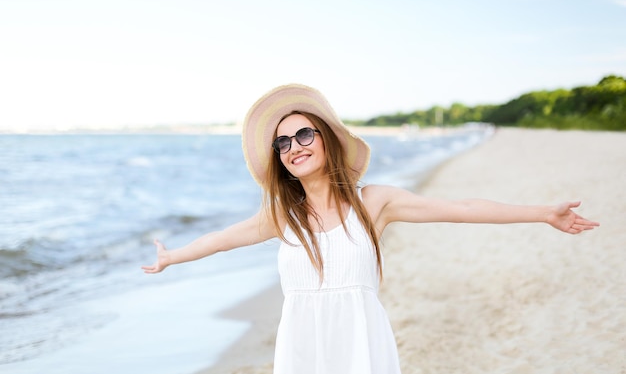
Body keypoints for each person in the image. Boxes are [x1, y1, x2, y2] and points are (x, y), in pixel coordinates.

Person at [142, 83, 599, 374]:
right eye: (282, 142)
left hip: (360, 342)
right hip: (301, 345)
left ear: (326, 139)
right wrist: (173, 257)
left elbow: (460, 207)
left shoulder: (373, 202)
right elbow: (222, 239)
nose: (292, 147)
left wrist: (541, 212)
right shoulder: (285, 215)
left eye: (304, 135)